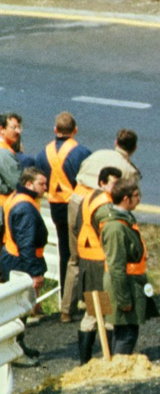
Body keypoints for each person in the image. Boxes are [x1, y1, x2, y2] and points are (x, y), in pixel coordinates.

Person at [64, 128, 139, 324]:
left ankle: (67, 310)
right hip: (100, 206)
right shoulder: (128, 170)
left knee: (76, 258)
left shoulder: (97, 154)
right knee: (104, 259)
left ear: (115, 142)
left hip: (77, 200)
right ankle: (104, 310)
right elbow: (128, 200)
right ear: (134, 148)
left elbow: (78, 172)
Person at [35, 112, 92, 322]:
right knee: (84, 250)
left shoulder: (43, 153)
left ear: (55, 130)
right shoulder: (81, 153)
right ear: (75, 130)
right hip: (76, 205)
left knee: (65, 253)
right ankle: (85, 298)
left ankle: (65, 300)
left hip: (56, 207)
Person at [95, 178, 155, 355]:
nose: (139, 198)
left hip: (130, 281)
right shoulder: (115, 228)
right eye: (136, 195)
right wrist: (124, 300)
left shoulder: (123, 219)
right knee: (126, 332)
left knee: (124, 328)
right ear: (125, 199)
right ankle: (119, 365)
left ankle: (117, 363)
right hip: (123, 285)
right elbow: (116, 266)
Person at [1, 167, 49, 367]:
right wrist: (34, 274)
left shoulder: (16, 197)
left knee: (18, 308)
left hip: (12, 257)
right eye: (41, 184)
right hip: (20, 262)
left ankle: (19, 346)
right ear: (29, 184)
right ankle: (14, 351)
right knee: (19, 309)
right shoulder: (25, 208)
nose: (46, 188)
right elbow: (26, 244)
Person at [75, 166, 121, 364]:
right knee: (104, 311)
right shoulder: (105, 206)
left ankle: (86, 360)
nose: (117, 188)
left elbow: (76, 227)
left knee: (93, 310)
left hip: (87, 262)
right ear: (102, 183)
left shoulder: (87, 198)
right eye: (114, 184)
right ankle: (106, 357)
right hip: (100, 264)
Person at [0, 113, 23, 208]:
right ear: (1, 129)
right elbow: (16, 183)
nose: (18, 131)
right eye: (14, 128)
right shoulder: (4, 153)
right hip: (4, 205)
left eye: (19, 127)